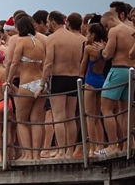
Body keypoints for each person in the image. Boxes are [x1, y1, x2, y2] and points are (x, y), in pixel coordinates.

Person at [39, 11, 84, 159]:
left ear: (52, 22)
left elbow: (49, 63)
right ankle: (69, 151)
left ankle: (60, 151)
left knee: (58, 117)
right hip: (74, 78)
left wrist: (42, 83)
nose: (47, 25)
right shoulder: (76, 39)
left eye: (47, 22)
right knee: (70, 117)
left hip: (58, 78)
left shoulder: (52, 38)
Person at [94, 11, 135, 155]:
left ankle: (112, 146)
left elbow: (108, 54)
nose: (106, 29)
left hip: (117, 70)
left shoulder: (114, 30)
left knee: (106, 108)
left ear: (112, 19)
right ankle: (128, 144)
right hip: (131, 70)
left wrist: (102, 50)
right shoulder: (131, 30)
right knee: (125, 110)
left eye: (106, 25)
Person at [8, 15, 46, 160]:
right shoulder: (39, 43)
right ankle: (36, 154)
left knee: (22, 120)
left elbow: (14, 63)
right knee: (36, 121)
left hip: (27, 83)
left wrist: (8, 80)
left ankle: (27, 154)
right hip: (40, 82)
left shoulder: (21, 41)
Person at [78, 23, 108, 155]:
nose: (86, 35)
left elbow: (82, 67)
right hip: (101, 80)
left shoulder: (89, 49)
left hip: (90, 81)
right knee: (98, 117)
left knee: (89, 117)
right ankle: (100, 147)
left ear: (93, 35)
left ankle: (92, 148)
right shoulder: (105, 47)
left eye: (88, 33)